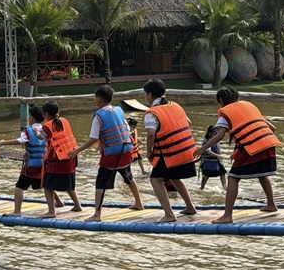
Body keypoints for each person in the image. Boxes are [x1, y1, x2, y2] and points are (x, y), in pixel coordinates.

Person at [196, 86, 283, 224]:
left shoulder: (226, 113)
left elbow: (219, 136)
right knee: (262, 174)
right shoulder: (248, 106)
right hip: (268, 144)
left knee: (233, 178)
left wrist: (201, 149)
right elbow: (273, 128)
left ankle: (227, 216)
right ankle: (271, 204)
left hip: (251, 147)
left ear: (221, 101)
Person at [69, 85, 144, 221]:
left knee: (100, 183)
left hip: (111, 156)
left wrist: (77, 150)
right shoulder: (119, 110)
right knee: (128, 177)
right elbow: (126, 130)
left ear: (98, 99)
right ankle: (139, 203)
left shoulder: (98, 116)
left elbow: (93, 138)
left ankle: (97, 215)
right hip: (126, 151)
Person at [143, 78, 198, 223]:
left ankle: (169, 214)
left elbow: (150, 134)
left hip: (168, 153)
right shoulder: (175, 106)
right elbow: (188, 122)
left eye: (145, 94)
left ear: (150, 95)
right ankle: (190, 207)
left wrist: (149, 152)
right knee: (173, 177)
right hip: (185, 150)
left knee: (155, 179)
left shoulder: (152, 113)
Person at [0, 107, 64, 216]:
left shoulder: (28, 131)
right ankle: (58, 202)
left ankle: (17, 211)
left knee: (19, 186)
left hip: (31, 165)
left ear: (31, 118)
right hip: (44, 165)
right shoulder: (45, 129)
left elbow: (20, 141)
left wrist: (3, 143)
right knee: (46, 184)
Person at [40, 101, 83, 218]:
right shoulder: (64, 121)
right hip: (70, 157)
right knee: (70, 185)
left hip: (57, 160)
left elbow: (40, 136)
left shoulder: (47, 126)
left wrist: (37, 128)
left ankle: (51, 211)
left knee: (47, 186)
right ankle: (78, 205)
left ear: (46, 114)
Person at [199, 125, 228, 190]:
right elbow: (209, 152)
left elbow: (218, 142)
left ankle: (225, 189)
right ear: (210, 134)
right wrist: (219, 156)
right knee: (206, 176)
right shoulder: (206, 141)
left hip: (217, 162)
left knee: (223, 174)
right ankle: (202, 188)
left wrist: (227, 142)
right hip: (209, 162)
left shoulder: (214, 139)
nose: (216, 136)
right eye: (215, 134)